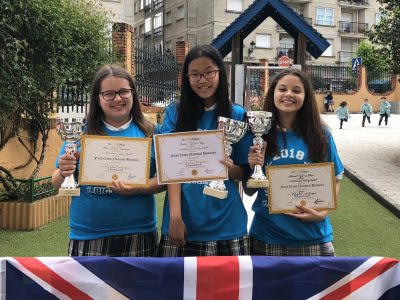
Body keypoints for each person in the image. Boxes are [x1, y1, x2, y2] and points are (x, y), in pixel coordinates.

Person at [52, 64, 165, 257]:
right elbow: (56, 182)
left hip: (138, 232)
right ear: (98, 98)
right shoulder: (80, 134)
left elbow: (164, 180)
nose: (118, 99)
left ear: (133, 94)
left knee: (136, 288)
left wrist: (140, 187)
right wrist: (63, 171)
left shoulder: (151, 132)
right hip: (88, 233)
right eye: (109, 94)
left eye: (123, 92)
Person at [157, 45, 252, 257]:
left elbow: (244, 172)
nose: (203, 80)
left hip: (227, 224)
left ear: (220, 72)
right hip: (184, 224)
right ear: (187, 77)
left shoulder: (237, 113)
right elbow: (170, 168)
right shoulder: (176, 112)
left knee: (229, 290)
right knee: (177, 290)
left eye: (209, 72)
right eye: (195, 74)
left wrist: (229, 168)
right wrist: (174, 217)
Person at [246, 69, 344, 256]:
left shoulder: (321, 134)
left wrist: (322, 212)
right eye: (282, 89)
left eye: (296, 90)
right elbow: (249, 190)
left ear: (306, 96)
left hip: (313, 236)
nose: (289, 94)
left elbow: (335, 179)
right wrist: (253, 168)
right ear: (273, 93)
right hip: (267, 236)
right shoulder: (259, 135)